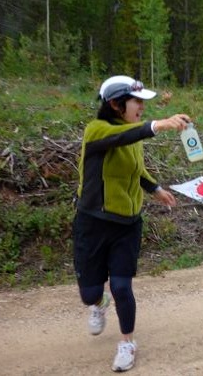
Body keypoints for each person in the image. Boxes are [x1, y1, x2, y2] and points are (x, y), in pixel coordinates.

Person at [73, 75, 191, 371]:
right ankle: (99, 305)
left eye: (143, 102)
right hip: (93, 223)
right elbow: (122, 138)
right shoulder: (97, 131)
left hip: (127, 224)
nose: (141, 106)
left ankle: (127, 342)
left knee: (122, 287)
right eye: (136, 101)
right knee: (90, 292)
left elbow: (135, 168)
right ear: (115, 104)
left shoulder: (132, 134)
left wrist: (155, 189)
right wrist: (159, 125)